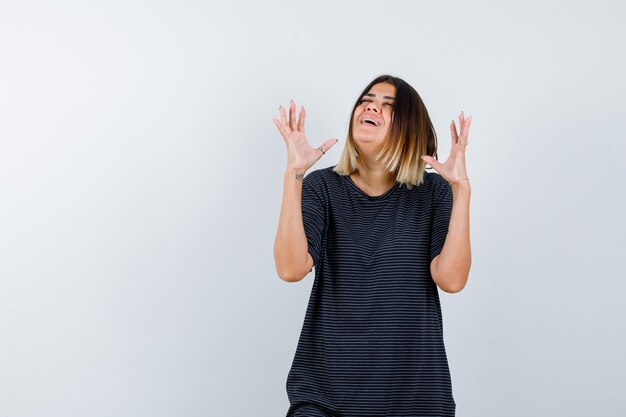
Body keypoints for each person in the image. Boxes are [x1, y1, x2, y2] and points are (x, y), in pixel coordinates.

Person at [273, 74, 472, 417]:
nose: (371, 106)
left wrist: (462, 191)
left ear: (410, 127)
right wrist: (294, 176)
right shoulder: (322, 187)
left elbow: (451, 280)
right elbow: (291, 269)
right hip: (324, 397)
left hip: (415, 400)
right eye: (367, 100)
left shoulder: (435, 193)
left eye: (387, 105)